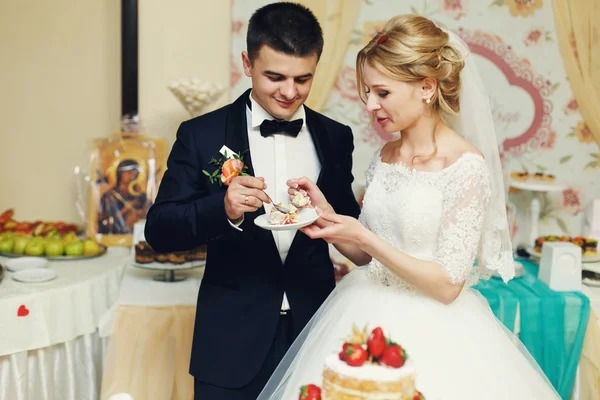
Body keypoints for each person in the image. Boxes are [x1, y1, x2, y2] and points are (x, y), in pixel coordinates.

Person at [257, 15, 561, 399]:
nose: (370, 105)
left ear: (427, 88)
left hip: (435, 328)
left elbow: (448, 286)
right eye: (366, 92)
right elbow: (367, 256)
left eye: (382, 93)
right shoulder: (385, 155)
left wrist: (364, 236)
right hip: (361, 311)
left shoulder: (466, 166)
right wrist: (324, 213)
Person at [143, 3, 360, 399]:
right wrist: (221, 209)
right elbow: (159, 229)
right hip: (228, 344)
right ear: (247, 62)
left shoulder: (336, 137)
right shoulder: (201, 134)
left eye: (303, 78)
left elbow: (350, 224)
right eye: (274, 76)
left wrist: (332, 218)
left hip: (315, 334)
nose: (289, 92)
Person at [98, 159, 150, 234]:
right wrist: (125, 210)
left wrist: (142, 212)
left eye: (134, 174)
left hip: (137, 235)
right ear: (120, 173)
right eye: (129, 173)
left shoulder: (140, 195)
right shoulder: (109, 196)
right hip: (114, 236)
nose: (132, 176)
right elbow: (104, 221)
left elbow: (150, 212)